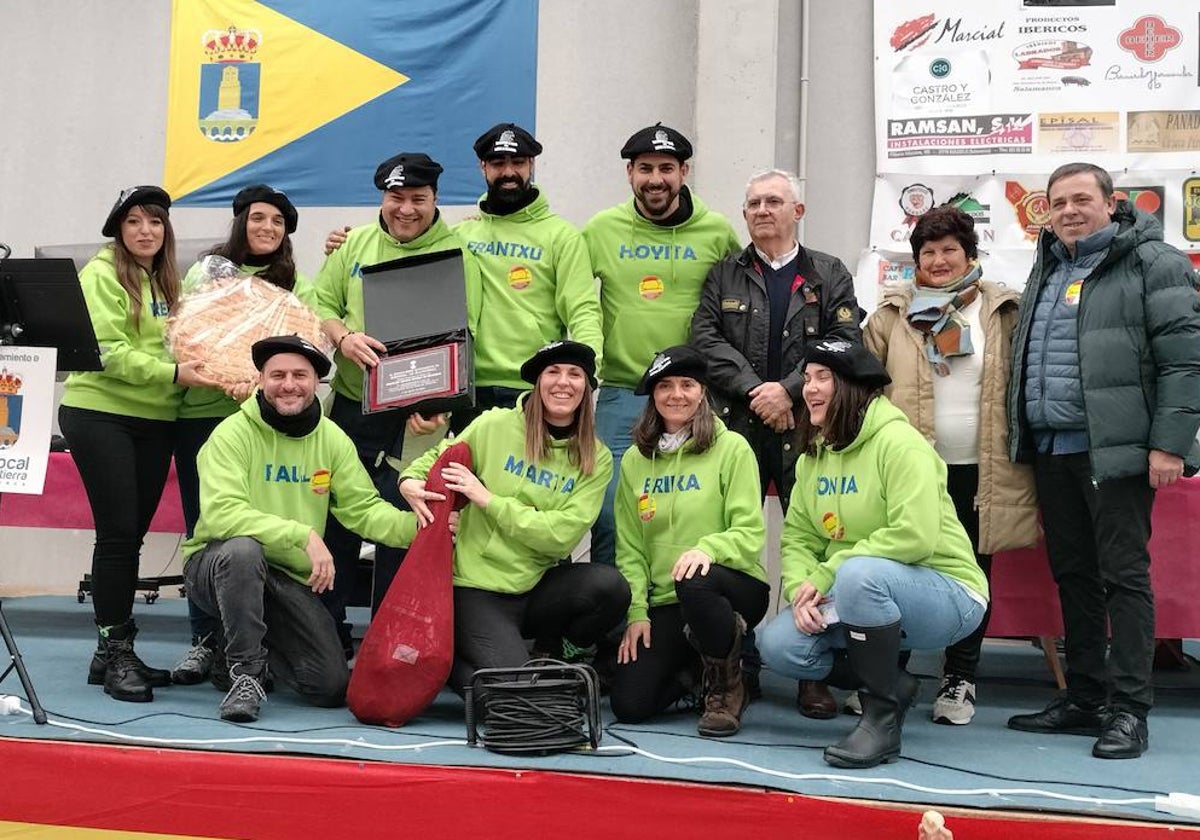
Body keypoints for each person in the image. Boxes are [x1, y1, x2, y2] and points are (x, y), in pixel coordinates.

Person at [1005, 162, 1200, 760]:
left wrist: (1169, 444)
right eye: (1058, 202)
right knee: (1074, 577)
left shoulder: (1154, 261)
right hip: (1052, 448)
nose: (1068, 211)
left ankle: (1130, 710)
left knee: (1124, 578)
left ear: (1111, 203)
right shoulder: (1049, 263)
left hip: (1114, 451)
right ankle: (1085, 697)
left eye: (1081, 199)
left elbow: (1186, 361)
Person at [759, 339, 988, 769]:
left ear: (854, 387)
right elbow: (798, 540)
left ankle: (880, 720)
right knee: (779, 644)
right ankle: (894, 685)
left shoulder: (901, 444)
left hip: (950, 594)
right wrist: (800, 590)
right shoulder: (814, 460)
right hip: (861, 589)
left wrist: (827, 575)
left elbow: (914, 537)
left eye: (823, 378)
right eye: (807, 378)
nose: (809, 389)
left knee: (859, 574)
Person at [182, 336, 428, 722]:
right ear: (261, 380)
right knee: (244, 551)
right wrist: (302, 535)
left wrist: (425, 529)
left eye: (300, 374)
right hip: (217, 567)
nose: (289, 384)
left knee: (329, 686)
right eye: (277, 374)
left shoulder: (332, 438)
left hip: (285, 578)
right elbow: (222, 514)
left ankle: (229, 647)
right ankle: (245, 674)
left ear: (317, 382)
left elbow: (363, 509)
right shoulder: (231, 434)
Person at [691, 168, 863, 717]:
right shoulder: (725, 273)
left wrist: (790, 391)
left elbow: (844, 339)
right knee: (734, 539)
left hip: (807, 427)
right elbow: (705, 339)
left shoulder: (829, 272)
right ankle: (738, 666)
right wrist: (755, 391)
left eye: (773, 201)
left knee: (809, 539)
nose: (761, 211)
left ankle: (811, 671)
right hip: (737, 427)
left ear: (798, 211)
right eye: (752, 204)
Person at [863, 204, 1038, 725]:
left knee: (970, 572)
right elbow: (864, 388)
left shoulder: (1003, 310)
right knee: (899, 565)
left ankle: (959, 678)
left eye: (949, 250)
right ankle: (886, 673)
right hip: (909, 471)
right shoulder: (891, 315)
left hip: (979, 470)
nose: (938, 261)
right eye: (928, 252)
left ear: (969, 254)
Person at [312, 152, 480, 657]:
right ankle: (326, 631)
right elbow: (322, 303)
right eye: (396, 198)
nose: (406, 210)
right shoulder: (356, 243)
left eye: (418, 200)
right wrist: (343, 339)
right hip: (352, 404)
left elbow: (467, 330)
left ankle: (389, 639)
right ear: (381, 198)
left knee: (404, 518)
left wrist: (437, 404)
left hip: (419, 415)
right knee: (337, 513)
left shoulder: (459, 250)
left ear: (435, 200)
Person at [59, 185, 220, 703]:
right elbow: (106, 351)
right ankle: (115, 648)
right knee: (119, 534)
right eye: (134, 222)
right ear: (118, 231)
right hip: (101, 412)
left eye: (155, 222)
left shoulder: (169, 281)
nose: (146, 230)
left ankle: (111, 653)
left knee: (133, 536)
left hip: (157, 418)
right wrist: (174, 373)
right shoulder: (102, 274)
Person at [399, 341, 630, 694]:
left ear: (587, 387)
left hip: (535, 583)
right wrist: (409, 481)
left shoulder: (594, 456)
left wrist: (488, 500)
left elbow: (562, 536)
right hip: (476, 587)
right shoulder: (493, 425)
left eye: (574, 374)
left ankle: (555, 649)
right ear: (537, 383)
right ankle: (447, 664)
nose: (563, 382)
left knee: (610, 588)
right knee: (520, 690)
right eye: (552, 372)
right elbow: (438, 458)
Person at [171, 184, 312, 689]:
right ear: (240, 221)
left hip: (262, 424)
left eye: (277, 221)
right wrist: (220, 374)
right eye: (257, 218)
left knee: (257, 529)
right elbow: (187, 333)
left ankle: (251, 645)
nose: (267, 228)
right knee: (206, 527)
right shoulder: (206, 272)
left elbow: (305, 348)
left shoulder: (294, 288)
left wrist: (255, 384)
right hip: (202, 416)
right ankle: (205, 640)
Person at [583, 123, 741, 569]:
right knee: (612, 510)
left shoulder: (715, 232)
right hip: (622, 391)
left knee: (694, 513)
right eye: (646, 168)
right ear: (630, 173)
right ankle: (611, 625)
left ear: (684, 172)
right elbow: (570, 295)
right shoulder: (601, 229)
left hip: (692, 393)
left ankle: (680, 617)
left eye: (667, 168)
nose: (657, 178)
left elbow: (736, 305)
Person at [609, 346, 768, 737]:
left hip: (732, 587)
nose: (676, 394)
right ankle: (697, 671)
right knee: (629, 704)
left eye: (687, 385)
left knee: (695, 577)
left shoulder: (732, 448)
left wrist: (707, 550)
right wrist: (637, 614)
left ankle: (729, 687)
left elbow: (750, 532)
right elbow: (629, 548)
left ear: (703, 392)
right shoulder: (634, 460)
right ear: (652, 395)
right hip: (669, 600)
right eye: (665, 386)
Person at [448, 123, 604, 432]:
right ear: (483, 167)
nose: (508, 172)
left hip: (533, 387)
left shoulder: (562, 236)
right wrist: (350, 238)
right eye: (497, 163)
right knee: (468, 479)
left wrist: (587, 369)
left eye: (517, 162)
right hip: (469, 389)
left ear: (531, 165)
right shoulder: (462, 234)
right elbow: (410, 243)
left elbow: (583, 310)